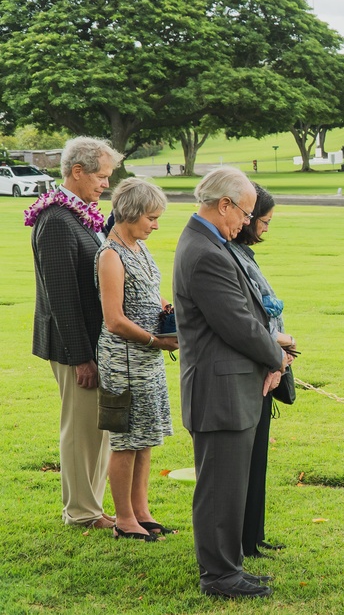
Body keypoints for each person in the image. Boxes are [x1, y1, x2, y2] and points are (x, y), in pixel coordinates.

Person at [173, 166, 292, 599]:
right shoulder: (205, 252)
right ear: (223, 204)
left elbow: (248, 316)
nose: (246, 221)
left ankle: (230, 566)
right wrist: (277, 354)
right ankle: (220, 576)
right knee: (219, 488)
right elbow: (238, 324)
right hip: (219, 389)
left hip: (231, 384)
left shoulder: (212, 242)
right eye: (243, 212)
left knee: (230, 484)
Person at [27, 136, 123, 529]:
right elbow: (62, 298)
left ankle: (92, 506)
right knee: (81, 429)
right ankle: (82, 512)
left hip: (91, 341)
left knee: (98, 429)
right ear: (77, 172)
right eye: (101, 176)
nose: (106, 184)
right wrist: (82, 357)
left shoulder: (80, 214)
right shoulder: (56, 221)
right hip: (73, 346)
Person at [95, 178, 179, 541]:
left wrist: (164, 310)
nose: (156, 225)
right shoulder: (111, 255)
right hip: (124, 361)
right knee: (126, 440)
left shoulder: (139, 248)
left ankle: (142, 510)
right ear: (129, 214)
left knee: (146, 437)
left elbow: (147, 294)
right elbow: (114, 319)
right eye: (151, 217)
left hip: (147, 360)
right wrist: (155, 340)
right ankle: (124, 519)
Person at [229, 183, 296, 558]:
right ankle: (243, 542)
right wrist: (276, 351)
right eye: (264, 221)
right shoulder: (228, 253)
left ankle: (253, 535)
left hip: (269, 360)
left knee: (258, 461)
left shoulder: (243, 253)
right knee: (245, 463)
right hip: (255, 366)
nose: (267, 229)